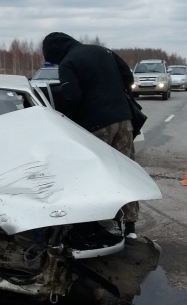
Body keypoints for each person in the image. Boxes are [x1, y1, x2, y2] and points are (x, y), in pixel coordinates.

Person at [41, 31, 140, 239]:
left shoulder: (69, 63)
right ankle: (130, 227)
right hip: (123, 120)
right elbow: (128, 78)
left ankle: (93, 224)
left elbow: (72, 97)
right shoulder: (103, 51)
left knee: (95, 176)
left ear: (56, 52)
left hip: (96, 126)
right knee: (126, 172)